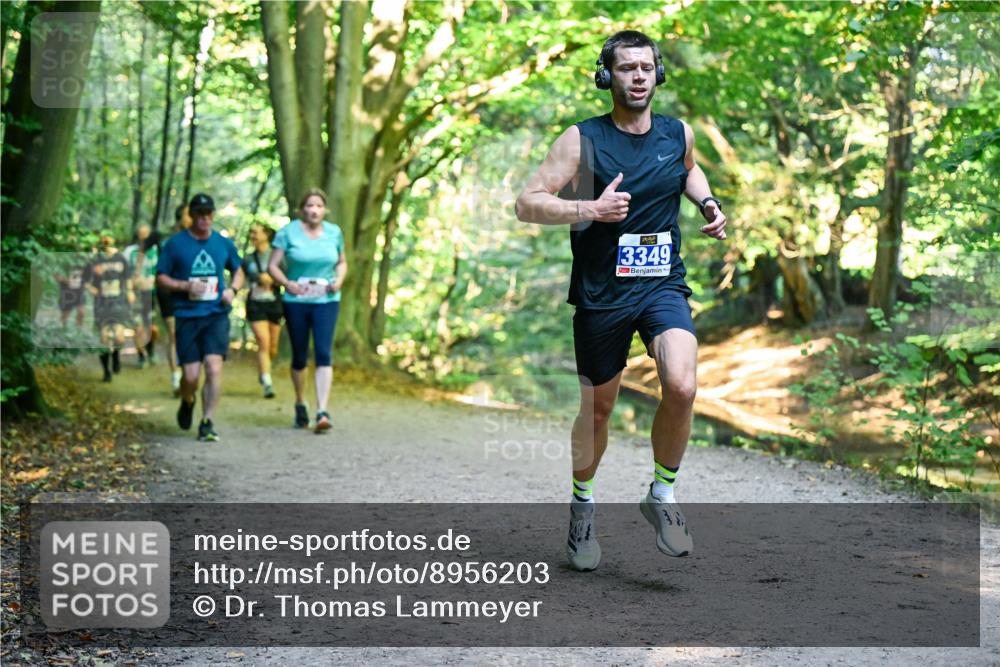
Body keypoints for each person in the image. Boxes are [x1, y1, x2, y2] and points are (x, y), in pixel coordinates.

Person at [514, 31, 728, 571]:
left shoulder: (677, 133)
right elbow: (527, 203)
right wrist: (589, 210)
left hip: (661, 283)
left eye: (646, 67)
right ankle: (583, 507)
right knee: (599, 409)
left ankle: (662, 495)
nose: (638, 76)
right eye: (627, 67)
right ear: (607, 76)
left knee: (682, 384)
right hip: (601, 293)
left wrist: (707, 202)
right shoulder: (581, 140)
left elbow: (688, 169)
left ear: (658, 75)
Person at [156, 193, 244, 442]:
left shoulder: (222, 243)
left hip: (216, 314)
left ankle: (207, 421)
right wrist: (184, 286)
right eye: (200, 215)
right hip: (187, 315)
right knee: (191, 375)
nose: (205, 219)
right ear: (191, 216)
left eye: (209, 214)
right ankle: (188, 400)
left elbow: (239, 270)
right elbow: (160, 277)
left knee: (214, 367)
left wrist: (232, 290)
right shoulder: (175, 244)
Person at [268, 189, 347, 433]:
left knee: (324, 353)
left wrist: (339, 280)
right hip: (297, 301)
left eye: (319, 206)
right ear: (302, 209)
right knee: (300, 356)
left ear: (325, 210)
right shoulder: (287, 233)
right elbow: (272, 265)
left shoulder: (334, 232)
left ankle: (322, 410)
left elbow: (342, 262)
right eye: (310, 205)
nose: (314, 210)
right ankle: (301, 401)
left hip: (327, 299)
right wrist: (286, 283)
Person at [242, 222, 283, 398]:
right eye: (250, 232)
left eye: (256, 232)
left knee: (273, 346)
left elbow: (287, 277)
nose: (252, 236)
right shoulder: (248, 259)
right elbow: (241, 278)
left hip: (274, 304)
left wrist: (272, 280)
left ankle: (264, 370)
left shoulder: (278, 255)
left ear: (266, 235)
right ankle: (267, 382)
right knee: (263, 341)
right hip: (255, 303)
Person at [87, 234, 134, 382]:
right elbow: (86, 281)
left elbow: (128, 278)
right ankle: (106, 371)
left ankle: (116, 357)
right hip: (101, 303)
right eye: (104, 239)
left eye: (109, 238)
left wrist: (130, 292)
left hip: (118, 302)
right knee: (104, 338)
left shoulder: (121, 259)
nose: (107, 241)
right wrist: (94, 290)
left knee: (119, 336)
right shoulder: (95, 260)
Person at [157, 205, 192, 395]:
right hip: (168, 292)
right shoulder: (166, 238)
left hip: (191, 293)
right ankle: (176, 378)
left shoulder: (197, 238)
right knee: (174, 334)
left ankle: (188, 375)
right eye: (189, 214)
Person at [124, 223, 160, 367]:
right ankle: (141, 356)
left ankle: (150, 350)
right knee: (137, 327)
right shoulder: (130, 252)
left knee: (151, 326)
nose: (143, 238)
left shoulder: (157, 251)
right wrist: (129, 290)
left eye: (146, 235)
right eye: (141, 235)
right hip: (136, 294)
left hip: (151, 295)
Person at [55, 254, 88, 329]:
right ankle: (63, 329)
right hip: (67, 293)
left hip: (79, 292)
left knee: (81, 312)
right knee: (65, 315)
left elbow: (87, 277)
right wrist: (65, 280)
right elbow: (56, 275)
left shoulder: (83, 261)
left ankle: (78, 329)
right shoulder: (64, 261)